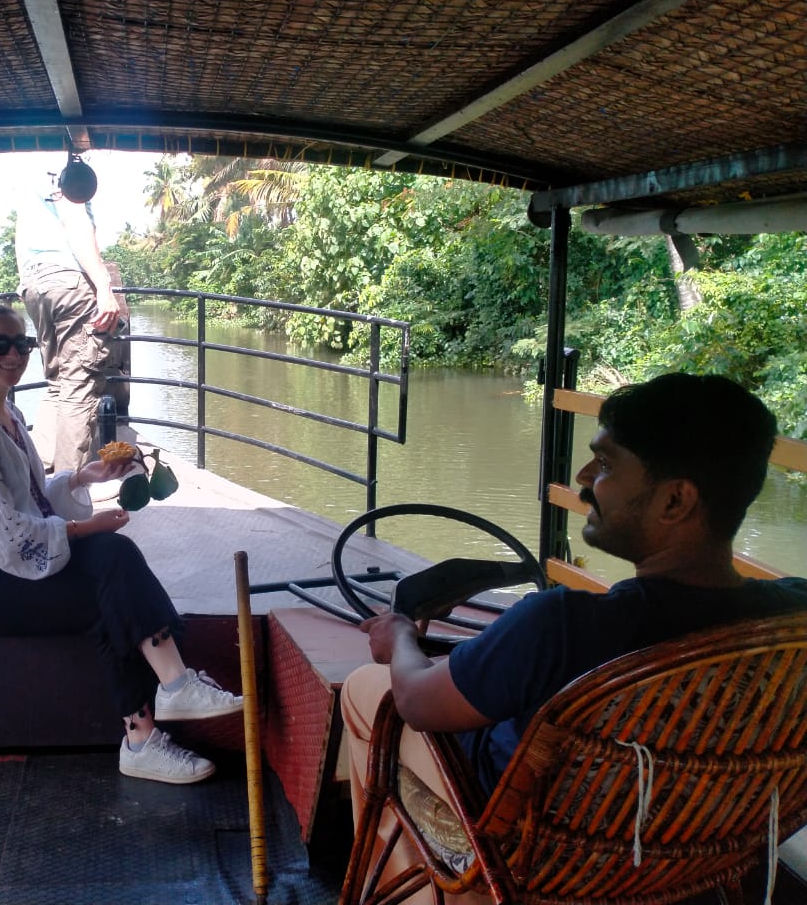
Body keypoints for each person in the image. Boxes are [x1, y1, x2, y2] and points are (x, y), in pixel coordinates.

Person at [340, 372, 806, 903]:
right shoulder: (795, 614)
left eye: (606, 465)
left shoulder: (561, 624)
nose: (583, 479)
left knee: (367, 688)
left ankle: (430, 892)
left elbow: (418, 702)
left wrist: (400, 637)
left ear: (675, 501)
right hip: (690, 842)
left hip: (533, 848)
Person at [0, 297, 242, 784]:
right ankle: (164, 701)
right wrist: (87, 528)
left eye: (23, 344)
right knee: (110, 561)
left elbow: (30, 499)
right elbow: (5, 534)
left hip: (6, 568)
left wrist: (80, 478)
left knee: (112, 584)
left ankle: (148, 731)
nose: (13, 355)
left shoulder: (6, 415)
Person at [14, 161, 125, 473]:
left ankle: (40, 475)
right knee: (79, 386)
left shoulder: (30, 177)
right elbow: (77, 224)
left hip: (34, 285)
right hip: (67, 281)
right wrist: (105, 288)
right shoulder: (62, 170)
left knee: (57, 384)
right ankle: (69, 491)